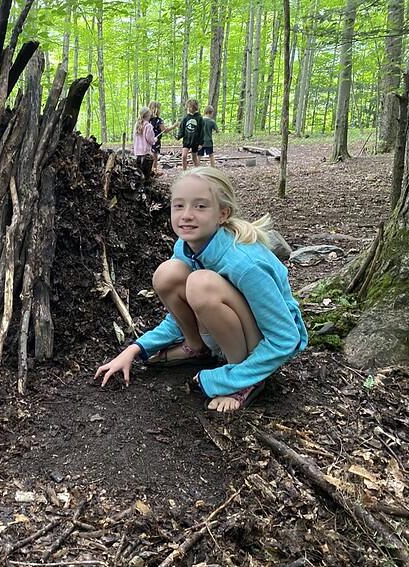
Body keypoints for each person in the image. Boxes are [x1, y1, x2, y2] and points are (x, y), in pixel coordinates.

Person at [94, 167, 308, 412]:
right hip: (225, 327)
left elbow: (285, 339)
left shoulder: (245, 263)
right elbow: (178, 316)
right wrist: (136, 348)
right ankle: (196, 347)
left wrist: (224, 380)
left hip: (259, 341)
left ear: (222, 214)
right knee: (168, 273)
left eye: (200, 206)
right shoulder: (186, 246)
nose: (186, 215)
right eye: (178, 206)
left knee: (200, 284)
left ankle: (241, 378)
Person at [148, 101, 177, 174]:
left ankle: (150, 170)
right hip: (155, 140)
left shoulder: (147, 120)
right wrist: (174, 126)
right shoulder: (158, 120)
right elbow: (165, 130)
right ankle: (154, 170)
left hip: (147, 140)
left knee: (149, 155)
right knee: (154, 156)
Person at [176, 98, 204, 170]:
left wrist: (201, 143)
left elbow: (202, 131)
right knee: (184, 156)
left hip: (195, 141)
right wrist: (179, 136)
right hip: (187, 140)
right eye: (188, 106)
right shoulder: (186, 118)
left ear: (194, 107)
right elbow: (182, 128)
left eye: (190, 107)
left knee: (194, 157)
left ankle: (197, 171)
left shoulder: (199, 118)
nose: (188, 108)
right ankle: (184, 171)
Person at [133, 107, 155, 178]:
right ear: (148, 115)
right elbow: (150, 140)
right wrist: (155, 140)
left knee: (139, 174)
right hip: (145, 154)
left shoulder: (136, 125)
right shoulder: (148, 126)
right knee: (146, 175)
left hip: (137, 154)